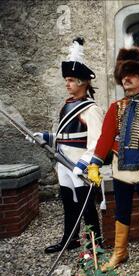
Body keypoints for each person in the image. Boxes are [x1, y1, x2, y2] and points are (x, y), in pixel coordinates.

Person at [87, 35, 139, 273]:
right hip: (119, 170)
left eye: (132, 73)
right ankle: (120, 252)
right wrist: (94, 164)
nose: (126, 78)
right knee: (121, 211)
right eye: (124, 74)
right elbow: (105, 139)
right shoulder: (116, 107)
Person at [38, 37, 103, 253]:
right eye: (67, 79)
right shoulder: (67, 106)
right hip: (63, 162)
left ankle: (96, 245)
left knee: (87, 206)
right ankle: (70, 238)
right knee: (68, 202)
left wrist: (84, 163)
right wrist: (47, 137)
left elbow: (97, 142)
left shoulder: (90, 109)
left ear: (83, 83)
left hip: (79, 163)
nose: (67, 83)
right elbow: (65, 134)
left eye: (72, 80)